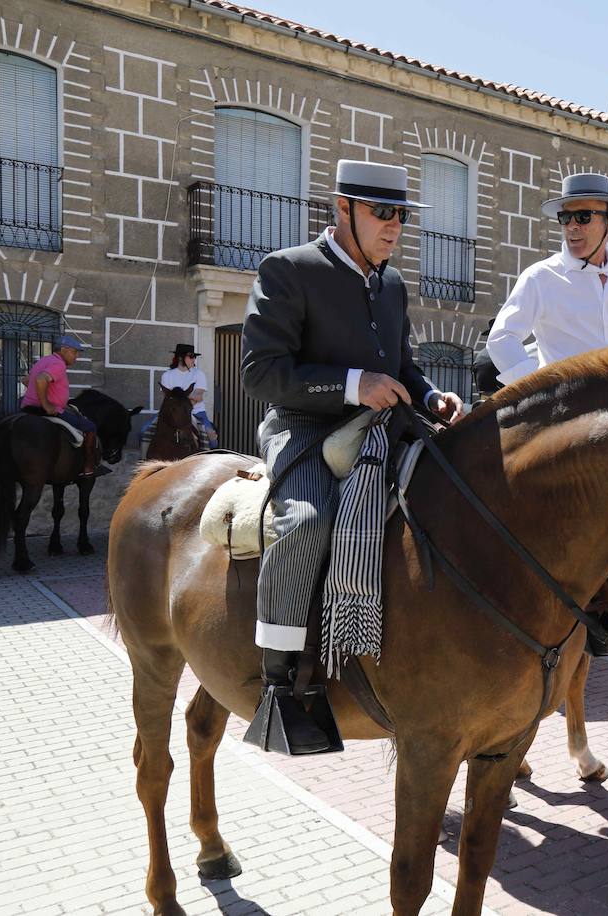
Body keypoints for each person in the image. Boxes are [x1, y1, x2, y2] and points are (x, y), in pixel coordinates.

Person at [240, 159, 463, 755]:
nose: (395, 227)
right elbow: (261, 374)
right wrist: (351, 385)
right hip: (304, 430)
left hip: (384, 428)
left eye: (402, 216)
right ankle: (280, 684)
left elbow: (402, 364)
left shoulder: (391, 284)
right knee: (308, 525)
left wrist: (430, 394)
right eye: (382, 214)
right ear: (344, 210)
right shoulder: (288, 269)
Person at [487, 172, 608, 384]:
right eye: (566, 218)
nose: (572, 226)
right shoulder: (539, 277)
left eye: (583, 217)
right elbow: (501, 339)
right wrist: (541, 388)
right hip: (564, 412)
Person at [19, 334, 109, 478]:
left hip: (28, 407)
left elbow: (26, 380)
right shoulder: (58, 364)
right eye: (74, 352)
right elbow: (41, 380)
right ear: (64, 349)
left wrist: (42, 394)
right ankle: (89, 466)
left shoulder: (43, 361)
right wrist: (47, 404)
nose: (76, 356)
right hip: (46, 410)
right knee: (90, 427)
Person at [161, 344, 217, 448]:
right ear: (181, 357)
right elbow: (167, 398)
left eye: (195, 356)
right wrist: (188, 397)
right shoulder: (167, 375)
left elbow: (198, 397)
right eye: (191, 356)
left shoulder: (199, 374)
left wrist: (178, 399)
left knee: (212, 438)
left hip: (197, 413)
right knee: (144, 432)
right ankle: (144, 460)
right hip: (171, 413)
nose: (194, 359)